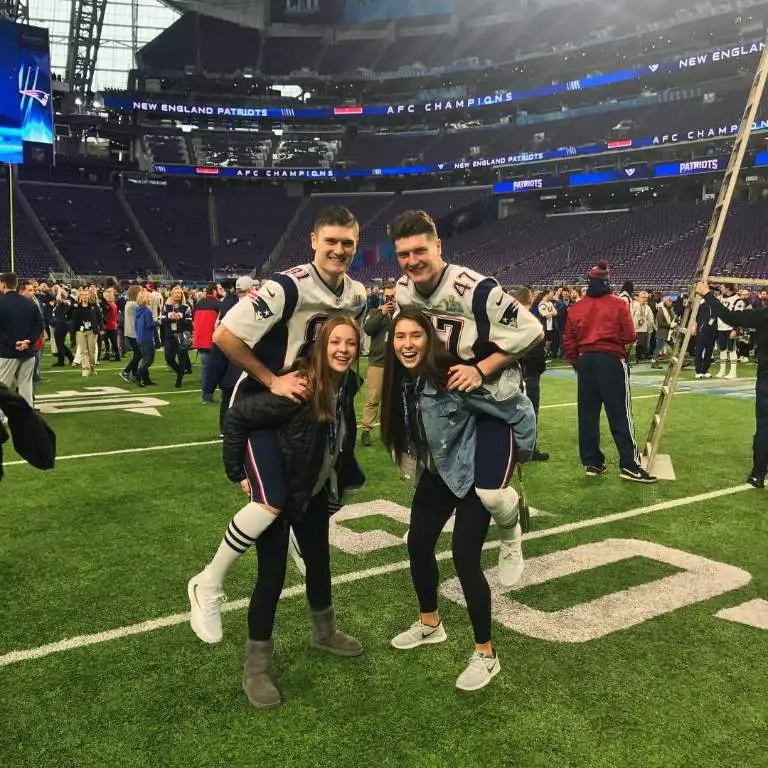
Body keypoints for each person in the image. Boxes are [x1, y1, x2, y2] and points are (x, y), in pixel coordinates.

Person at [188, 205, 367, 643]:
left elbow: (345, 350)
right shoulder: (288, 285)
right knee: (270, 503)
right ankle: (207, 583)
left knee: (332, 497)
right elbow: (225, 335)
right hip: (265, 408)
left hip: (314, 414)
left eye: (347, 243)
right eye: (331, 241)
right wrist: (272, 379)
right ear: (313, 241)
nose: (338, 250)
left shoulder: (358, 295)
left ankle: (321, 623)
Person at [381, 311, 535, 691]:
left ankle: (486, 653)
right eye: (400, 336)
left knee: (465, 558)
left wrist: (518, 456)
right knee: (417, 544)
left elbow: (513, 407)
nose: (407, 343)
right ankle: (430, 623)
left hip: (468, 477)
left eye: (416, 335)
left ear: (429, 339)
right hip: (438, 475)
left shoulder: (451, 376)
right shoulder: (401, 381)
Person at [215, 317, 365, 708]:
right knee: (272, 575)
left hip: (312, 489)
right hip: (284, 489)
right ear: (320, 345)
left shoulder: (346, 383)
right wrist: (238, 472)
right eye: (335, 342)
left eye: (351, 343)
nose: (343, 350)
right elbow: (238, 417)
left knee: (319, 561)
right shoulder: (299, 386)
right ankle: (256, 667)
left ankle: (325, 632)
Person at [390, 210, 543, 584]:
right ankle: (425, 531)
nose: (412, 261)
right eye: (404, 254)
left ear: (438, 245)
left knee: (490, 493)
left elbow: (533, 331)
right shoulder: (403, 290)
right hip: (443, 404)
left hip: (489, 400)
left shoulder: (475, 288)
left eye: (420, 251)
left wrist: (481, 367)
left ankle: (510, 534)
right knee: (435, 475)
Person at [563, 261, 657, 483]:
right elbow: (630, 335)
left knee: (587, 414)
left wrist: (579, 362)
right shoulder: (618, 304)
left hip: (585, 361)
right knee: (620, 413)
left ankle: (592, 461)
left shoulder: (576, 307)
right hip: (610, 359)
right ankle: (629, 464)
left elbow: (568, 340)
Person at [696, 281, 768, 488]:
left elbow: (730, 317)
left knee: (764, 427)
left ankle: (758, 473)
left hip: (766, 379)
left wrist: (708, 294)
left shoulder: (763, 315)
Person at [0, 272, 44, 409]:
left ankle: (1, 416)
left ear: (3, 284)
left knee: (3, 386)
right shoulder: (30, 303)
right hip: (28, 352)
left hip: (7, 352)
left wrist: (14, 343)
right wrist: (28, 341)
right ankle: (27, 417)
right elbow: (39, 326)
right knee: (26, 386)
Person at [516, 286, 549, 461]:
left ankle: (513, 446)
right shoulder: (531, 321)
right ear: (530, 300)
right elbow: (535, 352)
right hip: (528, 372)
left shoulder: (506, 319)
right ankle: (528, 449)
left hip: (512, 373)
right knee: (530, 410)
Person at [360, 283, 396, 446]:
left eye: (393, 296)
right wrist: (382, 313)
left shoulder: (401, 314)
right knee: (373, 398)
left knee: (395, 399)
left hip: (397, 363)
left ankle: (393, 432)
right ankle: (366, 430)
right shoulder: (375, 312)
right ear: (383, 297)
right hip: (378, 362)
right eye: (387, 297)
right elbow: (368, 329)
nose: (390, 300)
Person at [192, 283, 221, 405]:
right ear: (214, 291)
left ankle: (206, 397)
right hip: (213, 340)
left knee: (205, 370)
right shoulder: (218, 304)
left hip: (201, 341)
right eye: (219, 289)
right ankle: (222, 396)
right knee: (220, 370)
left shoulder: (199, 303)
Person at [160, 286, 193, 389]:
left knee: (182, 358)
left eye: (179, 293)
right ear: (172, 294)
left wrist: (179, 318)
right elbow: (162, 320)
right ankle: (180, 372)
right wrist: (171, 319)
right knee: (169, 359)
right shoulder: (166, 306)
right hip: (170, 336)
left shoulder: (186, 307)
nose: (177, 295)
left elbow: (189, 322)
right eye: (175, 293)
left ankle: (179, 379)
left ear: (182, 294)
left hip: (182, 335)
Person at [715, 285, 746, 379]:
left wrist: (735, 329)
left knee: (731, 349)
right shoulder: (720, 297)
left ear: (728, 289)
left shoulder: (737, 300)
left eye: (722, 287)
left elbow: (739, 316)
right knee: (722, 349)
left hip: (730, 328)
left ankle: (733, 372)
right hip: (720, 327)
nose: (721, 289)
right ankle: (722, 370)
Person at [71, 290, 102, 378]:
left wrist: (101, 328)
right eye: (83, 295)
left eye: (86, 295)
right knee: (83, 351)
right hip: (80, 331)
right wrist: (73, 305)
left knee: (91, 351)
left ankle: (92, 366)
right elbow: (67, 313)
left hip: (92, 331)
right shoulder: (77, 307)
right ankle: (85, 369)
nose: (84, 296)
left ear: (88, 296)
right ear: (80, 297)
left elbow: (100, 318)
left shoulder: (94, 306)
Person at [134, 290, 157, 387]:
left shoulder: (138, 310)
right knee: (149, 360)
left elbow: (135, 325)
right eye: (148, 297)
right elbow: (149, 325)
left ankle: (146, 378)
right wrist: (156, 323)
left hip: (140, 337)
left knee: (144, 359)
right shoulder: (147, 311)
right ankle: (138, 375)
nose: (150, 298)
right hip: (147, 338)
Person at [120, 285, 142, 384]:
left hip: (131, 332)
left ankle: (134, 374)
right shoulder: (134, 305)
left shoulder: (129, 303)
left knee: (136, 354)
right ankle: (126, 371)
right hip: (134, 332)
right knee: (139, 354)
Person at [651, 296, 677, 369]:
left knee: (674, 346)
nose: (670, 303)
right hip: (662, 333)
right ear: (664, 302)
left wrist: (675, 323)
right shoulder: (661, 311)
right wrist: (670, 325)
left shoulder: (670, 311)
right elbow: (660, 323)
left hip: (669, 333)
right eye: (668, 301)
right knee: (658, 348)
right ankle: (654, 362)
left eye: (671, 301)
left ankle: (678, 361)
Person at [51, 289, 74, 367]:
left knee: (59, 344)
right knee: (60, 344)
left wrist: (59, 290)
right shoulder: (61, 303)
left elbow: (58, 299)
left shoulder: (64, 303)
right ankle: (70, 358)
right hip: (61, 324)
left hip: (61, 325)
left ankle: (61, 361)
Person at [631, 291, 655, 363]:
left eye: (646, 298)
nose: (644, 299)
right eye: (643, 297)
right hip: (634, 327)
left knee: (641, 344)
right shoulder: (635, 305)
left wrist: (653, 326)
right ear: (639, 297)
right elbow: (631, 315)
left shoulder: (647, 307)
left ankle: (638, 357)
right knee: (631, 343)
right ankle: (628, 357)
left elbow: (651, 318)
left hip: (643, 328)